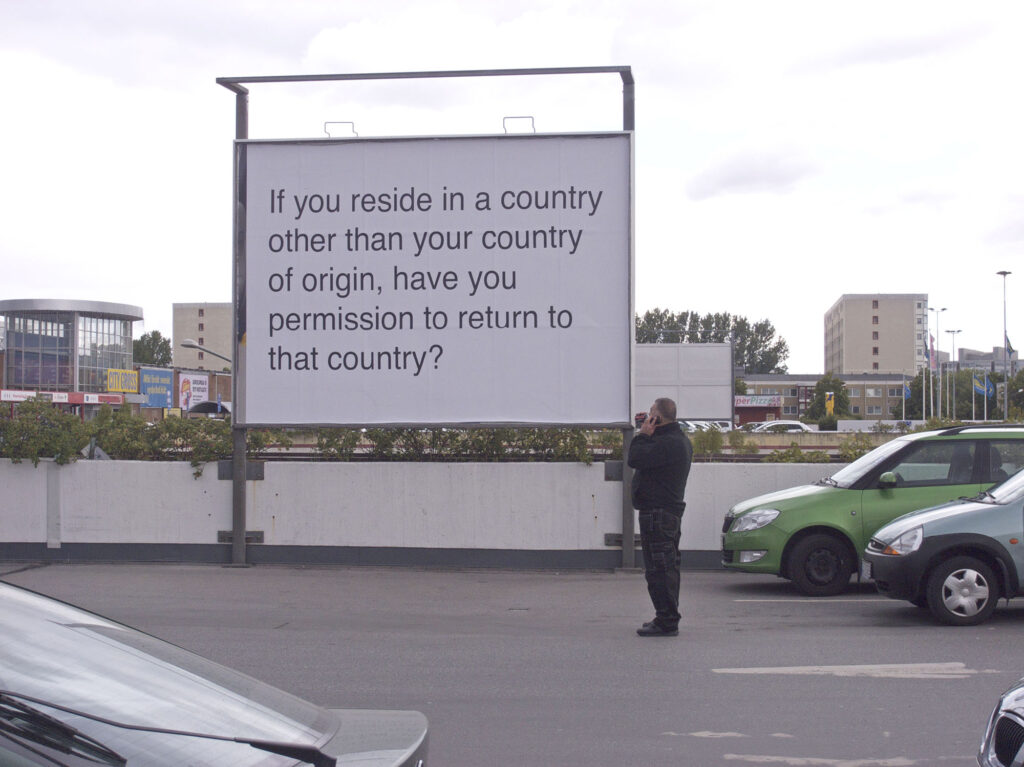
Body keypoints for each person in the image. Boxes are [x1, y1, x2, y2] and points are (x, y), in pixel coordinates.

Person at [628, 397, 692, 637]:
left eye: (651, 413)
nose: (647, 416)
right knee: (665, 567)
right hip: (665, 514)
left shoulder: (669, 443)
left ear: (658, 417)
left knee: (659, 569)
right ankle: (665, 616)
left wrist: (643, 434)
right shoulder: (676, 440)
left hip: (659, 514)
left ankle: (667, 620)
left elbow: (634, 458)